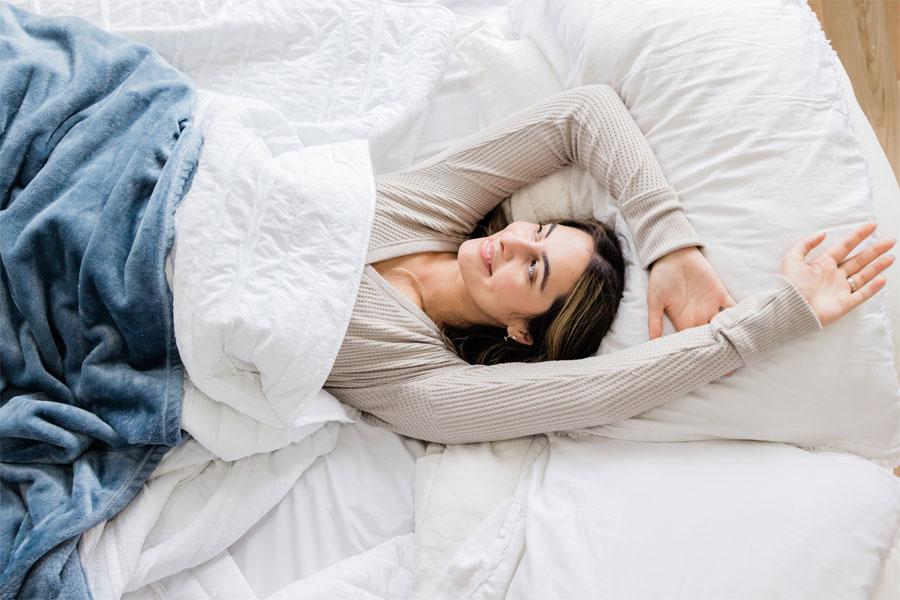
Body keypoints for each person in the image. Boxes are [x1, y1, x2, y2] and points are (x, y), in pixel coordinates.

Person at [322, 84, 895, 445]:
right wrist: (669, 244)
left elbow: (601, 393)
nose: (515, 243)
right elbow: (581, 114)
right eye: (539, 231)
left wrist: (781, 317)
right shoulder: (431, 210)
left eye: (533, 270)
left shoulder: (423, 385)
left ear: (521, 331)